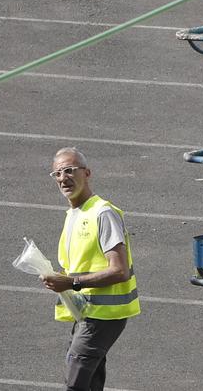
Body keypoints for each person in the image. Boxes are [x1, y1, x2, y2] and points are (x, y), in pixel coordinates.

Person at [42, 147, 139, 391]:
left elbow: (119, 271)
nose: (63, 178)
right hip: (87, 312)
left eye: (69, 170)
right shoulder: (74, 214)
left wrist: (71, 282)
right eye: (57, 173)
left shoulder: (102, 213)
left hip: (104, 315)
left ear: (87, 173)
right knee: (91, 381)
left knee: (76, 380)